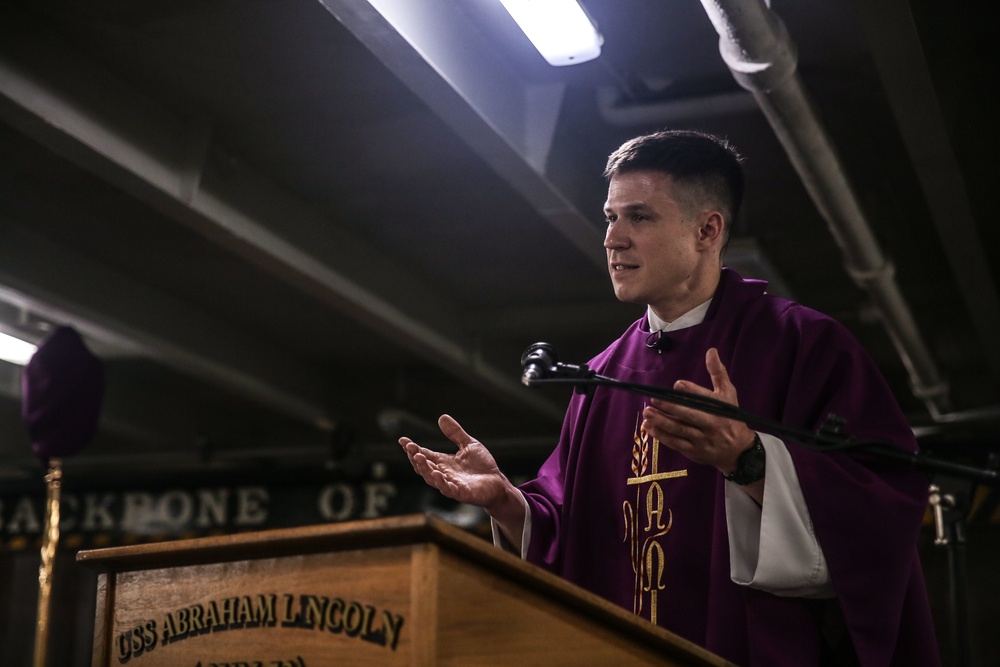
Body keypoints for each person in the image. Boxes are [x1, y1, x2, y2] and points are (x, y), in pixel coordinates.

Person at [399, 130, 939, 666]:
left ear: (707, 229)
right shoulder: (602, 376)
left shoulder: (801, 345)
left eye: (639, 216)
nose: (613, 239)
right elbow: (574, 539)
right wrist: (506, 502)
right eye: (611, 217)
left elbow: (881, 509)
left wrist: (749, 459)